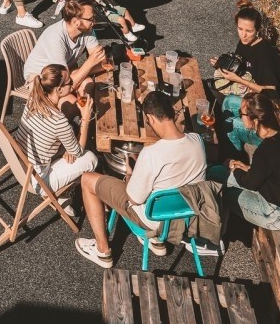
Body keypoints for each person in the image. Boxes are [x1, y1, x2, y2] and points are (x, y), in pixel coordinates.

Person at [76, 91, 207, 267]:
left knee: (87, 179)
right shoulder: (197, 140)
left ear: (150, 118)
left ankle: (103, 251)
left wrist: (130, 175)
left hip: (154, 219)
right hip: (185, 215)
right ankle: (157, 241)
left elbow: (134, 199)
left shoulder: (151, 154)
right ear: (172, 113)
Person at [210, 92, 280, 231]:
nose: (239, 116)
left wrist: (234, 169)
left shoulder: (265, 151)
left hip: (277, 213)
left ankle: (218, 233)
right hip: (276, 193)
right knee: (215, 172)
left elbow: (250, 183)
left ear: (254, 120)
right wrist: (246, 168)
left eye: (241, 113)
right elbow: (270, 171)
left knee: (220, 192)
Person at [211, 5, 280, 153]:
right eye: (240, 29)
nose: (243, 35)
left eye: (249, 31)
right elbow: (241, 66)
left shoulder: (264, 54)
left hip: (270, 111)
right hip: (254, 99)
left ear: (257, 31)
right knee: (227, 102)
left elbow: (271, 92)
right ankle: (229, 144)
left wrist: (238, 80)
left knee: (231, 123)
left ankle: (234, 155)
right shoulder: (244, 43)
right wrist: (222, 64)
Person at [14, 64, 98, 214]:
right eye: (70, 82)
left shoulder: (34, 98)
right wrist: (85, 119)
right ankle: (61, 193)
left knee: (70, 140)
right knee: (91, 158)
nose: (73, 83)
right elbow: (78, 152)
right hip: (38, 180)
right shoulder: (58, 121)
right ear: (59, 90)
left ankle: (63, 179)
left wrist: (68, 147)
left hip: (19, 162)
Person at [23, 0, 106, 90]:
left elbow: (102, 62)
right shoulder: (55, 38)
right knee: (71, 95)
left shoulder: (87, 29)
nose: (94, 22)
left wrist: (84, 70)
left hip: (64, 72)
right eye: (90, 19)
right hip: (40, 78)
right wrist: (89, 64)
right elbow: (65, 87)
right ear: (76, 22)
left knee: (88, 83)